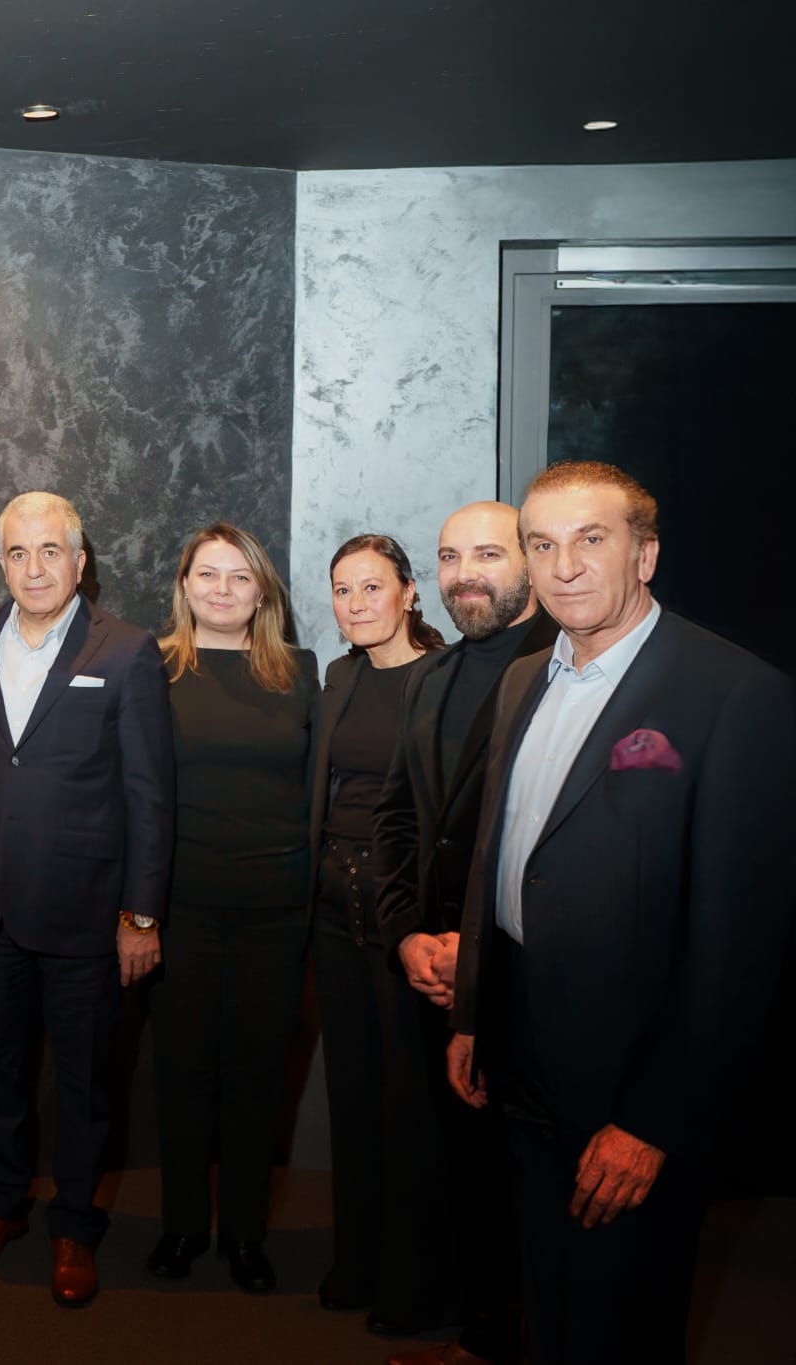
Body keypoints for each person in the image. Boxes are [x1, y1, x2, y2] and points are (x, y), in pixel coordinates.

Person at [449, 461, 795, 1365]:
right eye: (542, 544)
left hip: (632, 1077)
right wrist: (474, 1012)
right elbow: (496, 858)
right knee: (547, 1297)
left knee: (623, 1319)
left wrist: (655, 1119)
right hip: (519, 1051)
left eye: (591, 540)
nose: (564, 566)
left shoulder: (735, 694)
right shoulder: (524, 680)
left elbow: (739, 948)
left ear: (645, 554)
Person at [0, 491, 174, 1308]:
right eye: (17, 553)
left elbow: (150, 795)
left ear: (80, 562)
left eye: (50, 552)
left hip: (86, 909)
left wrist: (140, 914)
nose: (34, 568)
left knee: (82, 1082)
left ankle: (75, 1225)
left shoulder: (129, 650)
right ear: (0, 562)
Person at [370, 501, 554, 1365]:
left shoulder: (562, 665)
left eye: (488, 553)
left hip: (522, 975)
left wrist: (470, 949)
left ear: (532, 561)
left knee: (531, 1179)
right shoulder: (430, 676)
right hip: (433, 973)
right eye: (449, 556)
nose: (464, 573)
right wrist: (408, 935)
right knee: (466, 1170)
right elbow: (398, 819)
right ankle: (482, 1338)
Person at [145, 523, 316, 1294]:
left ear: (261, 591)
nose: (221, 589)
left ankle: (245, 1233)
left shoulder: (301, 673)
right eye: (207, 574)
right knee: (182, 1073)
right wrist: (135, 913)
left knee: (257, 1075)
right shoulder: (150, 667)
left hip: (275, 909)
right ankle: (182, 1224)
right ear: (183, 585)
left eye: (238, 576)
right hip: (179, 906)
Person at [311, 533, 443, 1330]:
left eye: (372, 587)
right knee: (352, 1096)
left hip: (406, 917)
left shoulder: (446, 677)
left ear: (409, 591)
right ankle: (356, 1258)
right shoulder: (339, 676)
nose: (356, 604)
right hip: (334, 914)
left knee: (411, 1105)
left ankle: (414, 1280)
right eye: (342, 589)